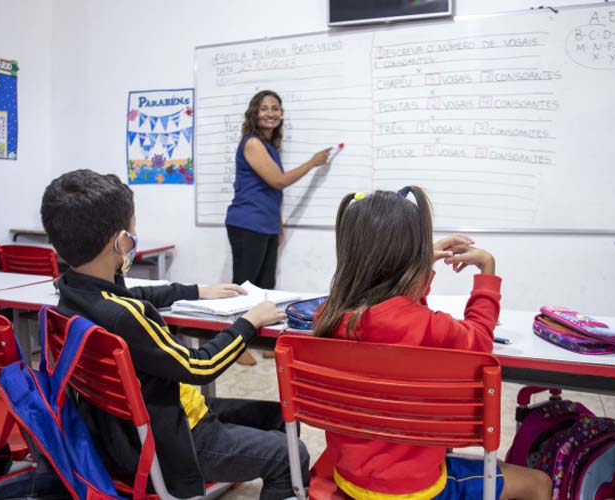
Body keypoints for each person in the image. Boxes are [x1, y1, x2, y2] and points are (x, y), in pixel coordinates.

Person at [41, 169, 309, 500]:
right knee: (292, 454)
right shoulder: (126, 318)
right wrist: (249, 322)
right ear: (120, 241)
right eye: (133, 225)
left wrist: (197, 290)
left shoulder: (73, 292)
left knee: (273, 415)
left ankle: (237, 463)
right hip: (172, 441)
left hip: (129, 430)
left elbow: (136, 298)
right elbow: (200, 366)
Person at [313, 187, 553, 500]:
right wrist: (487, 273)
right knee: (539, 483)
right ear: (410, 256)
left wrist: (420, 263)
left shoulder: (327, 317)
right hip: (417, 488)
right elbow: (480, 339)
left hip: (350, 477)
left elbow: (395, 309)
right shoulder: (427, 326)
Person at [225, 89, 331, 365]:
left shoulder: (270, 146)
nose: (271, 113)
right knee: (245, 289)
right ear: (254, 113)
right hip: (247, 223)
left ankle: (261, 340)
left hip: (266, 223)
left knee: (266, 288)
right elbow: (279, 181)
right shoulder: (252, 144)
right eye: (264, 108)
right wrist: (312, 163)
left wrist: (278, 222)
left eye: (275, 108)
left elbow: (272, 192)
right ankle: (236, 348)